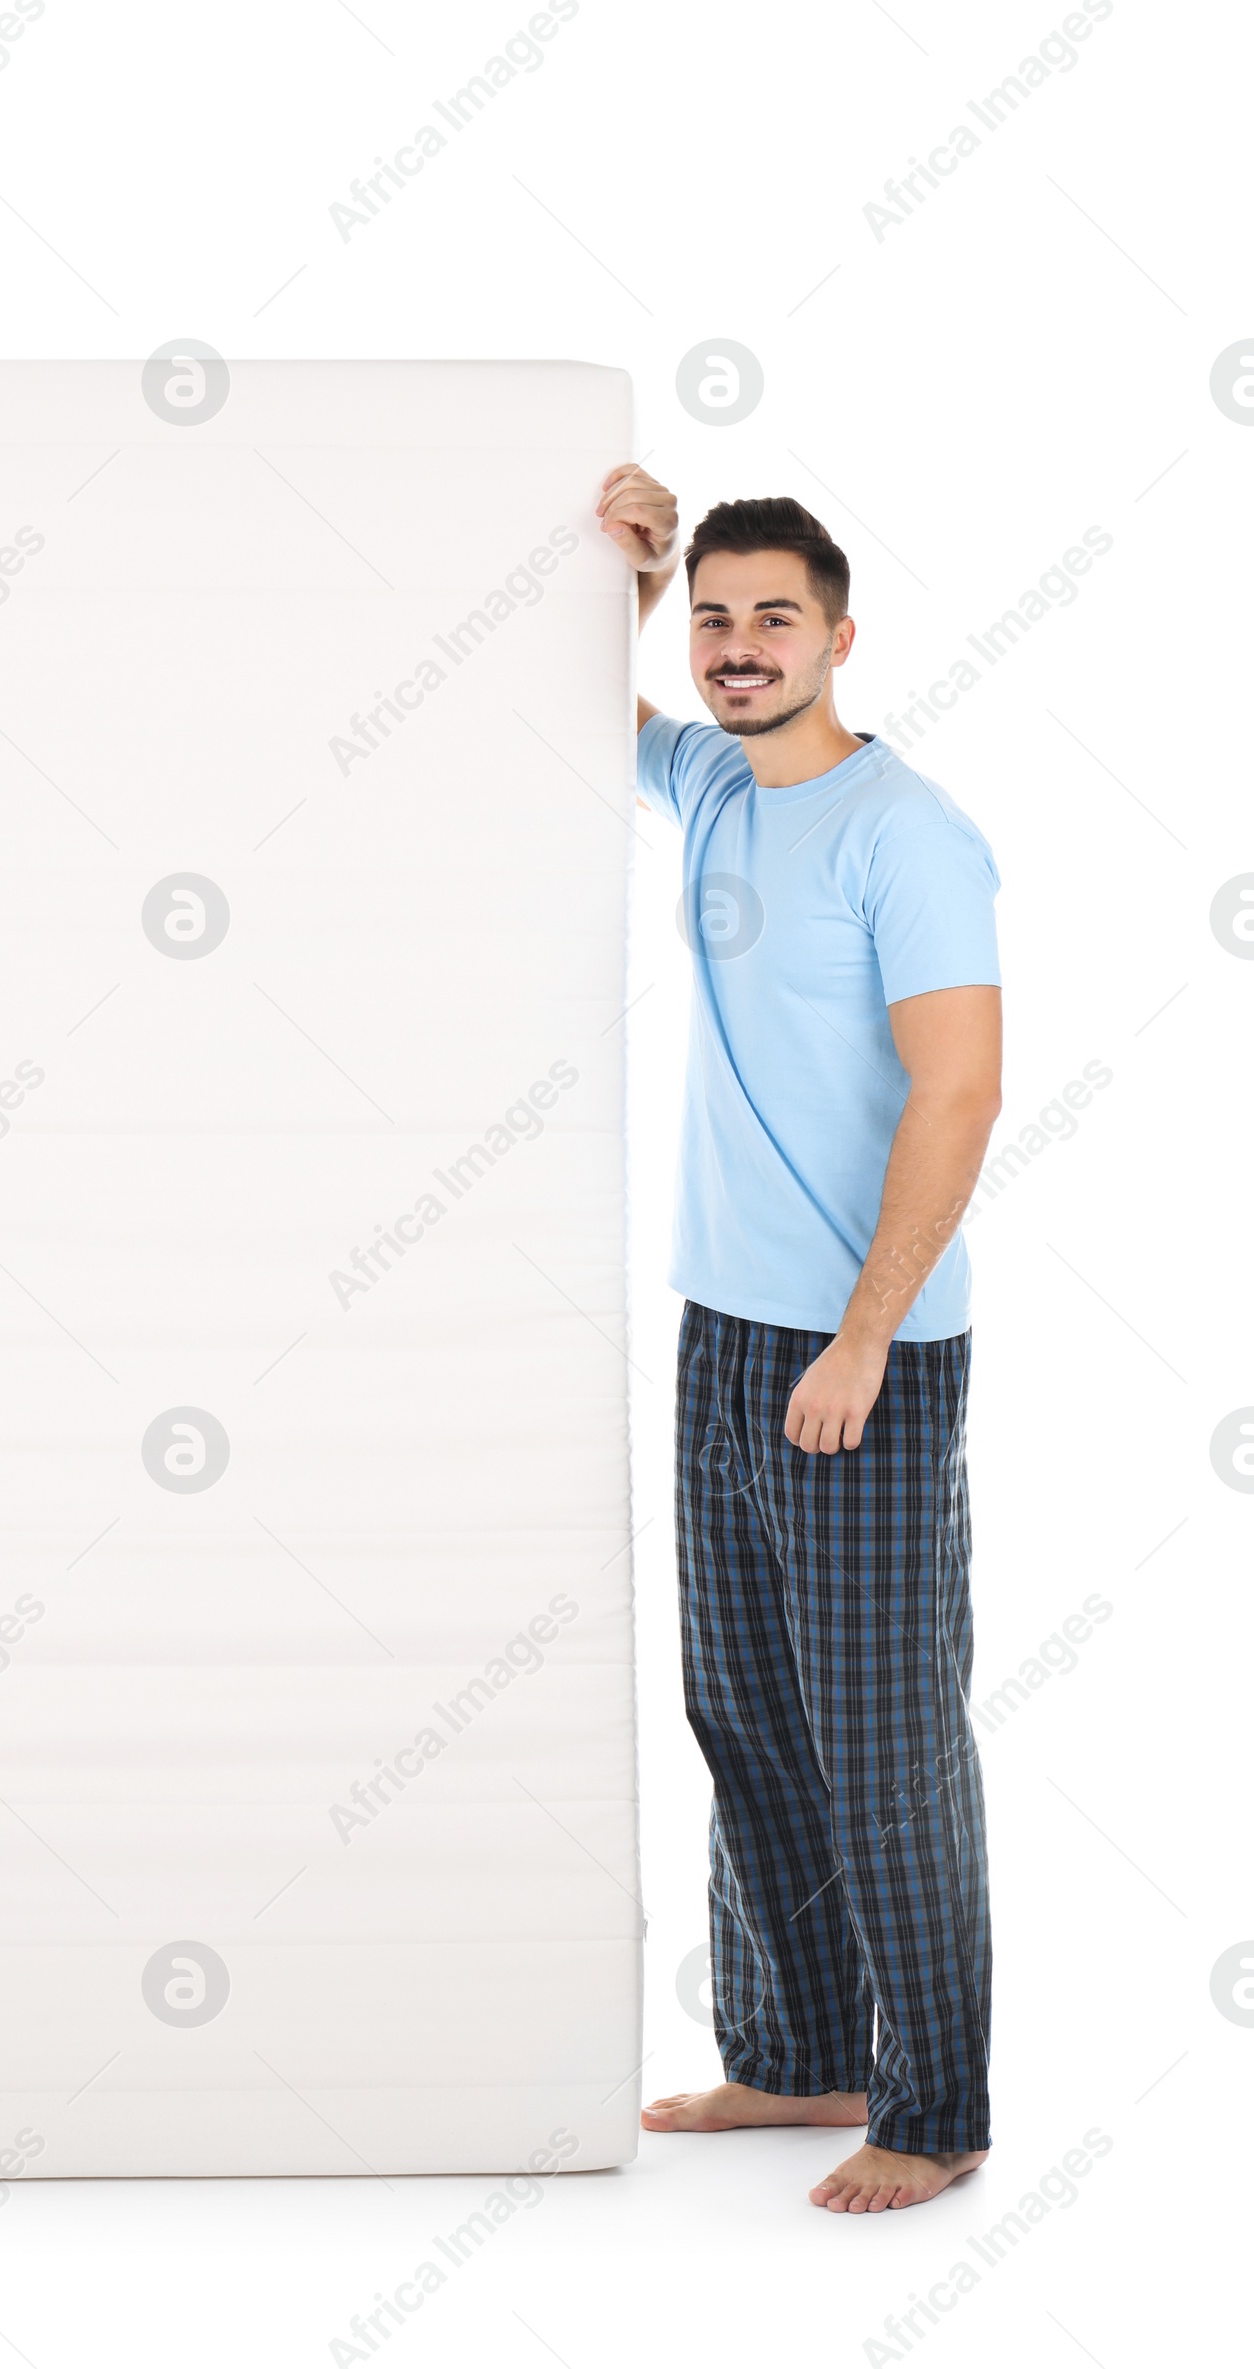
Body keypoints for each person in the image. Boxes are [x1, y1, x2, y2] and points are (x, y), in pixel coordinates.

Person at [599, 465, 1001, 2213]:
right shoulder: (705, 781)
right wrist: (615, 570)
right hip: (721, 1329)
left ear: (841, 638)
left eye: (775, 617)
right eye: (713, 616)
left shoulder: (906, 832)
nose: (740, 646)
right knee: (745, 1711)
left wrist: (861, 1338)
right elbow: (551, 715)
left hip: (865, 1352)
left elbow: (962, 1087)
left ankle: (932, 2110)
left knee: (884, 1740)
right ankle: (797, 2050)